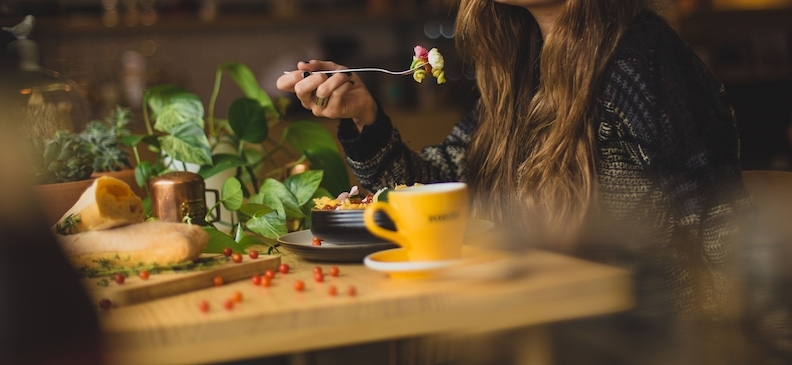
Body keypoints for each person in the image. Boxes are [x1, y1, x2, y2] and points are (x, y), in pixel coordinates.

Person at [277, 0, 756, 363]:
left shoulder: (641, 59)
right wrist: (366, 117)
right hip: (536, 323)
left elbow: (716, 222)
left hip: (630, 341)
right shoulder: (523, 66)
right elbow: (440, 189)